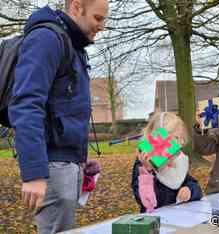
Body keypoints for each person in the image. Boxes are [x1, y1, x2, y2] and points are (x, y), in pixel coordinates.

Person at [8, 0, 108, 233]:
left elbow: (64, 108)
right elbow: (26, 104)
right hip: (51, 165)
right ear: (76, 7)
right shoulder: (47, 39)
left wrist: (79, 159)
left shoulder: (73, 46)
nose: (101, 26)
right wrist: (34, 173)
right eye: (97, 18)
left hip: (66, 162)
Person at [131, 112, 203, 213]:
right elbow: (145, 200)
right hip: (154, 220)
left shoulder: (177, 161)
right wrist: (147, 172)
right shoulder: (142, 164)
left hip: (178, 216)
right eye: (172, 139)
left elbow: (195, 185)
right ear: (157, 138)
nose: (177, 144)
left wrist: (190, 190)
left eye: (179, 138)